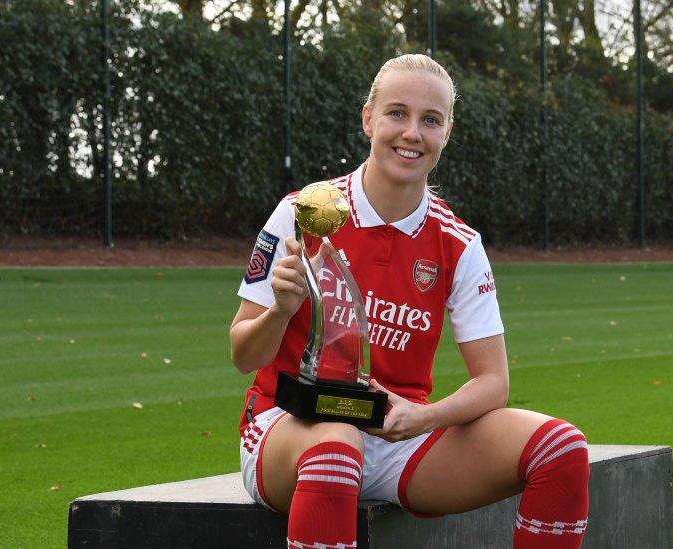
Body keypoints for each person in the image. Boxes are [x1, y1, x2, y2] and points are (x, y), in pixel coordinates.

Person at [230, 53, 589, 549]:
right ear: (368, 118)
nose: (412, 133)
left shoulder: (458, 244)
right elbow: (243, 354)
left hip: (400, 435)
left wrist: (424, 417)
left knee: (561, 448)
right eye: (397, 113)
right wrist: (281, 310)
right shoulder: (301, 212)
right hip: (290, 428)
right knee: (338, 450)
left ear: (447, 133)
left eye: (430, 120)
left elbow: (493, 383)